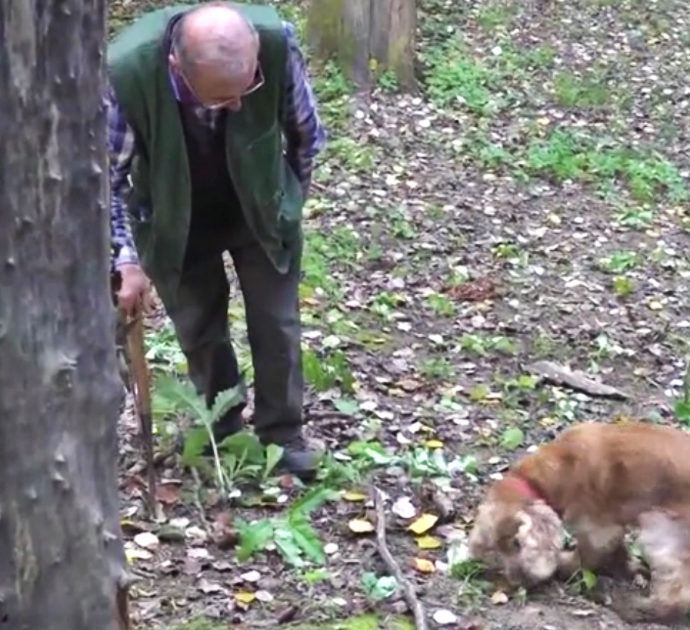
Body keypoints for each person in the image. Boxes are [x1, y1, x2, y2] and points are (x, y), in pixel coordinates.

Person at [106, 1, 326, 481]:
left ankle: (282, 436)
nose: (240, 105)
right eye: (222, 99)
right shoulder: (127, 72)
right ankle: (221, 429)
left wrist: (290, 202)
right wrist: (127, 258)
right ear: (176, 68)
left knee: (277, 325)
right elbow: (108, 178)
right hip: (172, 214)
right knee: (199, 329)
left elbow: (306, 134)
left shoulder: (274, 42)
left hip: (259, 205)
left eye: (248, 88)